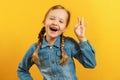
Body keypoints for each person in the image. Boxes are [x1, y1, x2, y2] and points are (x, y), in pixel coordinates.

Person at [17, 5, 96, 80]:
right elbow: (22, 70)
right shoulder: (35, 49)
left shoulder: (69, 44)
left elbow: (90, 64)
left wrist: (82, 38)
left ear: (65, 28)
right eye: (52, 18)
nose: (55, 23)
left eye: (61, 21)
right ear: (44, 22)